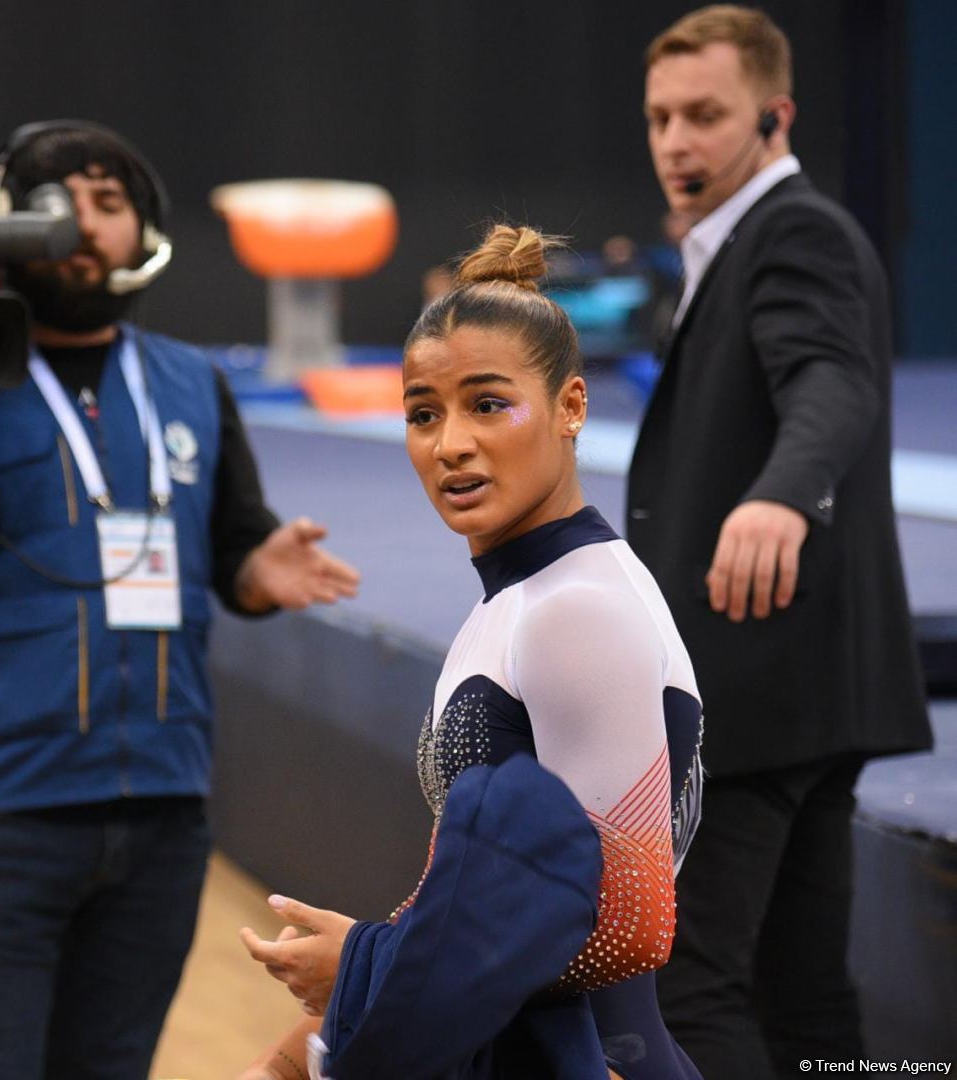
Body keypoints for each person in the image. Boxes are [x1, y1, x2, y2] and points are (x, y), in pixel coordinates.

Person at [0, 120, 359, 1079]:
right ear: (6, 228)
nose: (84, 225)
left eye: (110, 203)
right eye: (58, 205)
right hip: (1, 806)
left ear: (145, 230)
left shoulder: (191, 382)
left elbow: (236, 544)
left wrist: (254, 574)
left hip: (165, 808)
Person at [238, 224, 704, 1079]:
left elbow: (627, 927)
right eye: (423, 413)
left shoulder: (579, 610)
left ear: (571, 407)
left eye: (488, 404)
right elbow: (491, 889)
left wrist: (366, 967)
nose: (450, 443)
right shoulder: (524, 597)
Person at [630, 8, 932, 1078]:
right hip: (802, 693)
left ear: (776, 115)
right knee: (801, 1001)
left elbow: (830, 379)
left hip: (756, 688)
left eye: (704, 115)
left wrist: (781, 497)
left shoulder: (792, 232)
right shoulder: (728, 246)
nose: (675, 140)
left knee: (695, 991)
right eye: (661, 116)